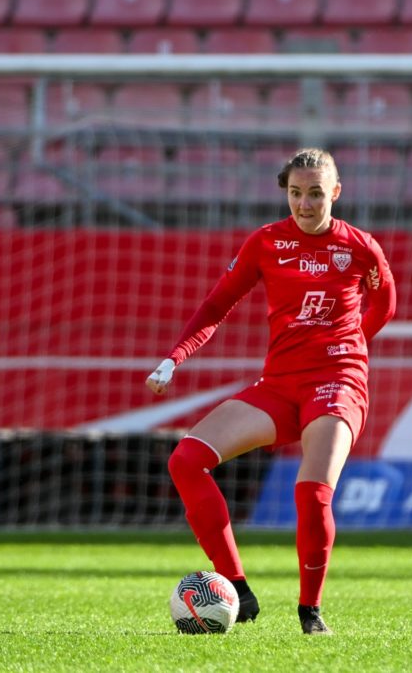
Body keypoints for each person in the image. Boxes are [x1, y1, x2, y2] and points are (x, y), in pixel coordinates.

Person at [146, 148, 396, 635]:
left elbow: (384, 303)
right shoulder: (265, 242)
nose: (304, 204)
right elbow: (217, 304)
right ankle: (237, 588)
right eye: (296, 193)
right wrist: (175, 357)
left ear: (335, 192)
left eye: (316, 193)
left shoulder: (360, 247)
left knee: (312, 492)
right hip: (280, 383)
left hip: (338, 380)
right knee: (186, 460)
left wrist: (352, 344)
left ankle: (310, 612)